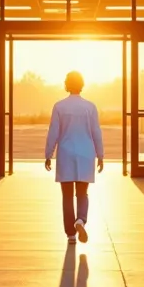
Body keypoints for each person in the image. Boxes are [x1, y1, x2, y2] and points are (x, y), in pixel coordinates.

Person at [44, 71, 104, 244]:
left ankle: (71, 233)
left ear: (66, 85)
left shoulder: (59, 106)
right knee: (83, 193)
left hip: (66, 154)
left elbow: (53, 132)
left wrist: (48, 154)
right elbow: (96, 133)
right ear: (82, 85)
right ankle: (81, 220)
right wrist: (100, 155)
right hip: (86, 153)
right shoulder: (90, 107)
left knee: (67, 195)